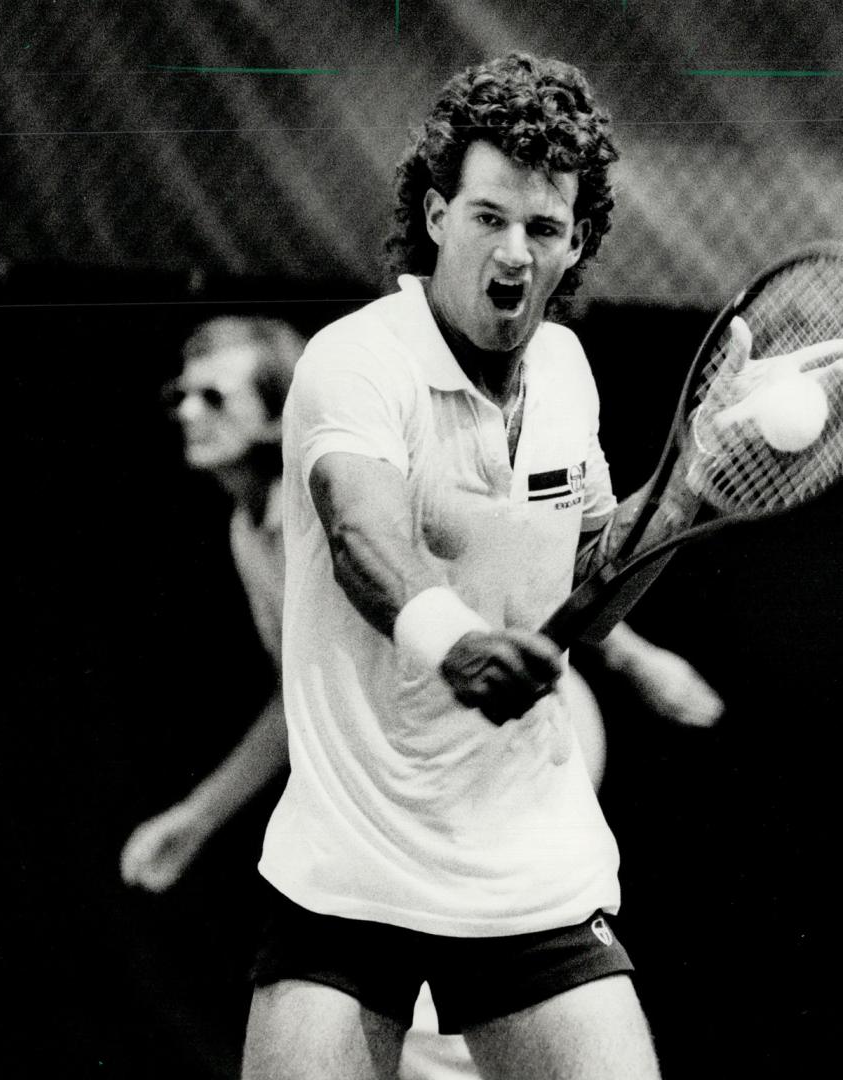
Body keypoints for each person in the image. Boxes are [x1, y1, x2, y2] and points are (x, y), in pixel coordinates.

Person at [241, 52, 724, 1079]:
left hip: (524, 866)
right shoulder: (357, 361)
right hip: (354, 866)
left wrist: (689, 485)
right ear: (433, 215)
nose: (513, 251)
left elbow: (590, 592)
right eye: (487, 217)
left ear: (576, 244)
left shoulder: (564, 370)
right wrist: (453, 642)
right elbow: (364, 537)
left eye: (543, 228)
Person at [121, 310, 723, 1077]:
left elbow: (522, 578)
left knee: (446, 1018)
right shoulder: (251, 530)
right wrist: (198, 816)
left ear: (277, 411)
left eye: (214, 396)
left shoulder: (362, 471)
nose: (186, 411)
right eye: (181, 392)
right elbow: (299, 699)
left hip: (527, 728)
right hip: (406, 760)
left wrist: (637, 660)